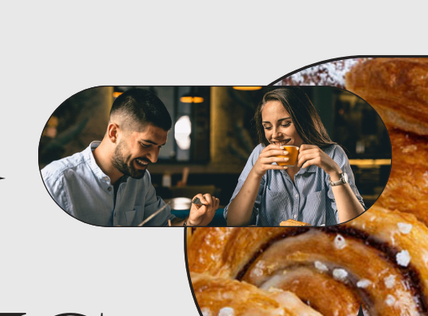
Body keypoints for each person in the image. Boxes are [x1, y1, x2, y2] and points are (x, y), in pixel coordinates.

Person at [42, 88, 216, 226]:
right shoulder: (57, 181)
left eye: (159, 147)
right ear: (114, 133)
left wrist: (191, 222)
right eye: (146, 145)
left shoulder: (141, 180)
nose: (154, 159)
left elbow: (165, 225)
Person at [225, 88, 364, 226]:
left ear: (303, 121)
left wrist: (335, 172)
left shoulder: (333, 154)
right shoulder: (260, 153)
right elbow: (234, 222)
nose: (274, 135)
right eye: (267, 127)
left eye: (285, 124)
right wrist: (256, 173)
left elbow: (355, 226)